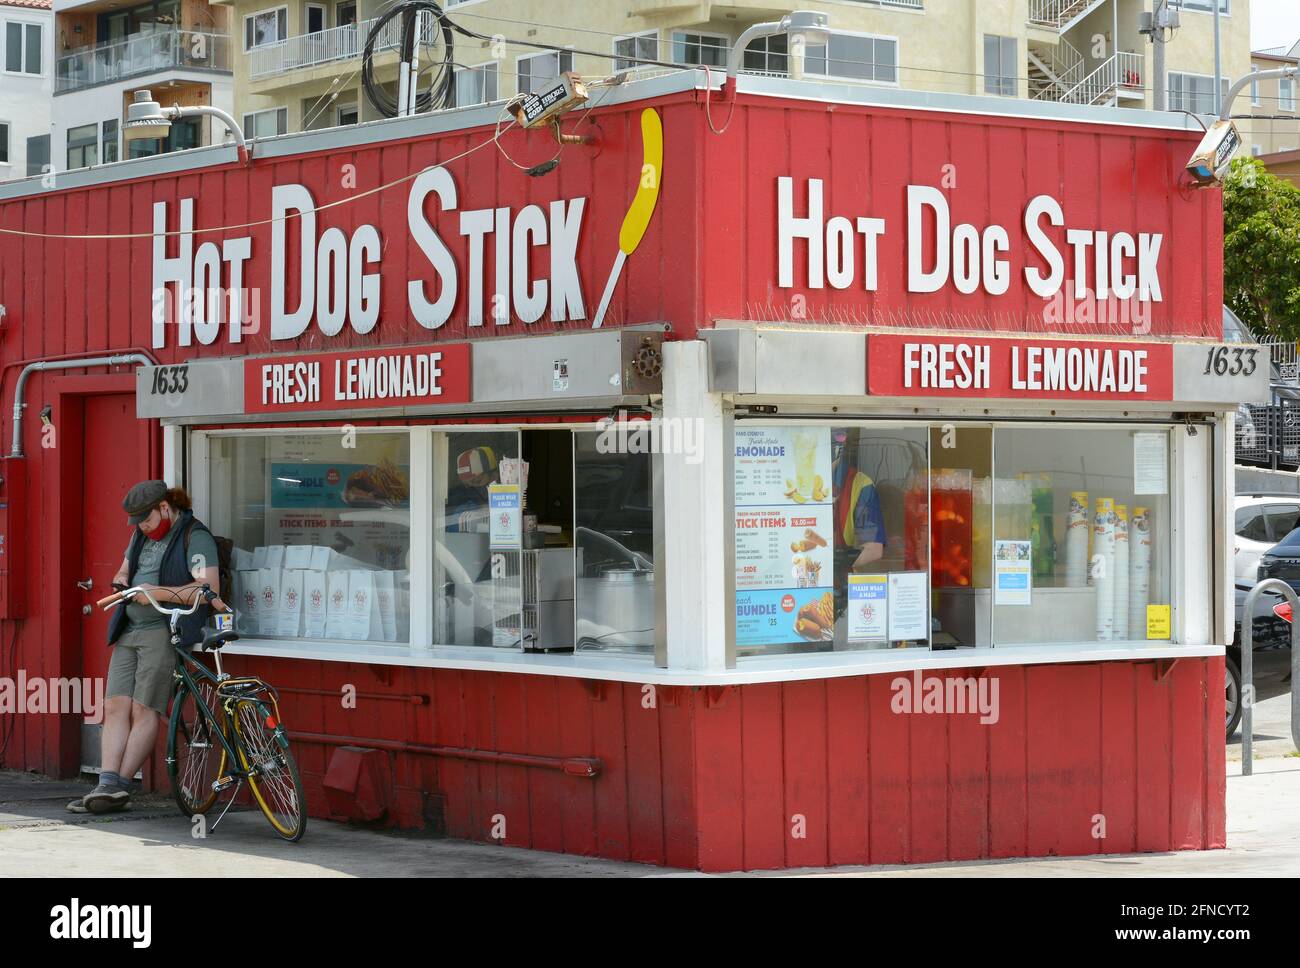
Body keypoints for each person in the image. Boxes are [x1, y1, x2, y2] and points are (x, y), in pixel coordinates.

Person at [68, 481, 219, 815]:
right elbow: (124, 569)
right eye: (137, 522)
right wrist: (122, 581)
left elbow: (207, 589)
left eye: (147, 519)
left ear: (165, 507)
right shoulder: (140, 535)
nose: (142, 527)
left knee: (143, 708)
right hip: (129, 628)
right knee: (115, 706)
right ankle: (106, 784)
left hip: (162, 629)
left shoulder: (195, 536)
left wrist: (156, 591)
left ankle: (120, 788)